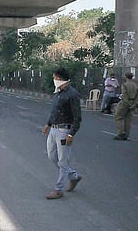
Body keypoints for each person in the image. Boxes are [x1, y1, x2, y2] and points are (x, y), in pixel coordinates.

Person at [41, 67, 82, 200]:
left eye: (55, 78)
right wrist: (48, 124)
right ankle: (74, 176)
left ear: (60, 78)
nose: (53, 80)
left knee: (63, 161)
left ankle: (58, 189)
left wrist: (71, 134)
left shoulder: (72, 94)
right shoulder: (58, 92)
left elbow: (77, 117)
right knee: (52, 156)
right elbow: (54, 111)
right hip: (53, 129)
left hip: (64, 131)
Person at [114, 72, 138, 141]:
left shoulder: (125, 85)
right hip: (133, 101)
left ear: (126, 77)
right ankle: (126, 134)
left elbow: (124, 95)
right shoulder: (135, 85)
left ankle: (120, 132)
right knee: (128, 120)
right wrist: (134, 104)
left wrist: (127, 103)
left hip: (125, 102)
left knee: (118, 117)